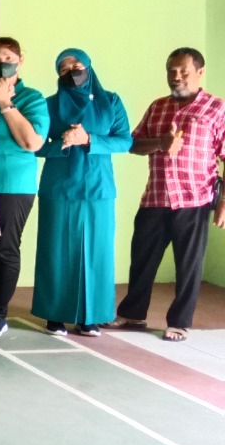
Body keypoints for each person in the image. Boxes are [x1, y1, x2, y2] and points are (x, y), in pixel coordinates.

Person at [111, 48, 224, 341]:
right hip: (156, 197)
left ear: (200, 72)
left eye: (184, 71)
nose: (177, 76)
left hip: (194, 199)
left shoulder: (216, 109)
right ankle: (133, 314)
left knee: (188, 265)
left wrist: (223, 201)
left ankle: (179, 322)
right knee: (142, 260)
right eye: (172, 71)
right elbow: (134, 145)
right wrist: (160, 143)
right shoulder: (158, 107)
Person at [32, 49, 132, 337]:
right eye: (64, 68)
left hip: (98, 188)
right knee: (56, 251)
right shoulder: (49, 105)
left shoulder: (111, 101)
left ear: (88, 66)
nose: (72, 71)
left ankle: (90, 317)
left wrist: (88, 138)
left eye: (76, 65)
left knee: (97, 252)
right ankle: (55, 315)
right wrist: (62, 143)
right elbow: (35, 144)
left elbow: (124, 141)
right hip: (59, 187)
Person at [0, 38, 48, 338]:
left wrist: (5, 103)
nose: (1, 63)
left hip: (14, 185)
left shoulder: (32, 98)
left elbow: (31, 142)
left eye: (7, 57)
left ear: (20, 60)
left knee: (4, 249)